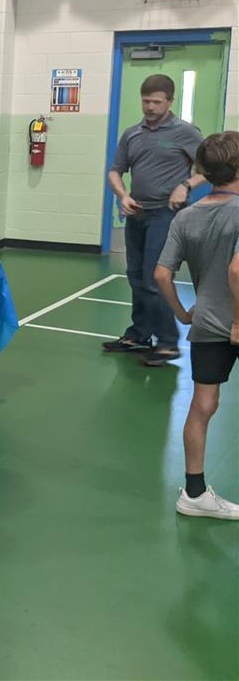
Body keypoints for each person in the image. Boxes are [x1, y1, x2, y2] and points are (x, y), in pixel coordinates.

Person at [154, 131, 239, 520]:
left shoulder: (186, 216)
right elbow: (238, 270)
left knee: (203, 404)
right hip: (236, 322)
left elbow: (161, 275)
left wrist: (183, 314)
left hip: (205, 322)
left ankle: (193, 492)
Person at [105, 74, 205, 367]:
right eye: (146, 101)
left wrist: (185, 185)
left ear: (170, 101)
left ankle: (167, 342)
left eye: (156, 102)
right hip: (136, 213)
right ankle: (139, 334)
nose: (149, 107)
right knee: (135, 276)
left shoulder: (186, 132)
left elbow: (210, 168)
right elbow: (115, 171)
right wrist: (122, 196)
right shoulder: (132, 133)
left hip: (166, 214)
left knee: (154, 277)